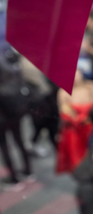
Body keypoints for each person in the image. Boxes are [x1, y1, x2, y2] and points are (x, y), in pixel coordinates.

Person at [56, 69, 93, 173]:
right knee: (78, 160)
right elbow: (64, 112)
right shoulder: (63, 91)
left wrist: (90, 117)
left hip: (92, 127)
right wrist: (79, 119)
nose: (75, 76)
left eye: (77, 73)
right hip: (75, 131)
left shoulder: (91, 86)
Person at [0, 44, 32, 189]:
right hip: (16, 112)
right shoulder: (12, 66)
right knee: (19, 140)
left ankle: (14, 178)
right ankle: (28, 171)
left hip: (3, 116)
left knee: (5, 146)